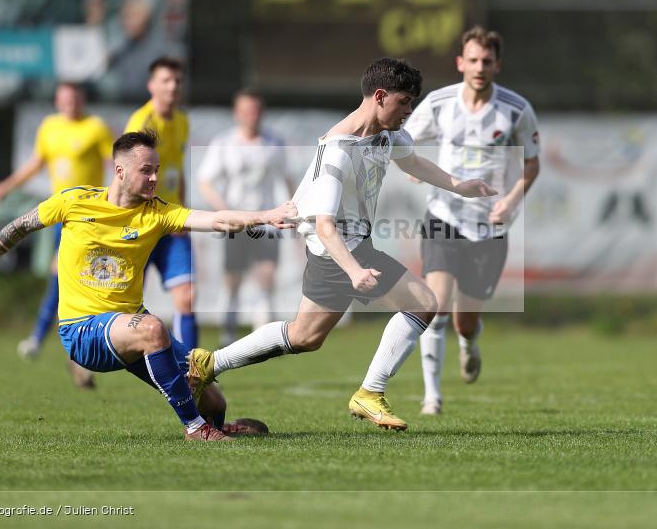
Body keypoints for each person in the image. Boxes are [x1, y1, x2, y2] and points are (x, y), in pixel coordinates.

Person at [184, 57, 497, 432]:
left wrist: (459, 186)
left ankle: (210, 362)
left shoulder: (388, 133)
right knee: (424, 302)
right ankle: (370, 392)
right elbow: (324, 225)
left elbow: (413, 163)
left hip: (348, 245)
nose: (409, 111)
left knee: (305, 336)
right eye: (403, 102)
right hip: (336, 250)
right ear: (379, 97)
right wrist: (354, 270)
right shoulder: (338, 149)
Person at [0, 130, 295, 441]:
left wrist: (265, 216)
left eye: (157, 169)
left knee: (212, 396)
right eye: (146, 170)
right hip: (82, 331)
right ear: (120, 171)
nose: (155, 177)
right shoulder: (74, 201)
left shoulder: (156, 213)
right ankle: (195, 429)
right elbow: (19, 226)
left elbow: (215, 219)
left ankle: (216, 425)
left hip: (127, 324)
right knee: (154, 329)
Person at [403, 26, 541, 416]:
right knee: (435, 305)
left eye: (487, 61)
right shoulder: (439, 103)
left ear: (497, 65)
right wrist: (414, 167)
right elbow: (403, 142)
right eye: (473, 60)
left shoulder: (516, 109)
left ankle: (468, 342)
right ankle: (432, 397)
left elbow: (532, 164)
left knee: (464, 321)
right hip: (443, 215)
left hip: (490, 227)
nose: (480, 67)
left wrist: (511, 201)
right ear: (460, 63)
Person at [0, 82, 113, 388]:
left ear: (82, 99)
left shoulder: (95, 127)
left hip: (91, 217)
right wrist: (8, 185)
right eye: (65, 98)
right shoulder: (49, 127)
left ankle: (63, 347)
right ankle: (58, 347)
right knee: (65, 279)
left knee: (77, 280)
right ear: (58, 101)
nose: (70, 103)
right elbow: (36, 164)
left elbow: (114, 164)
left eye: (75, 97)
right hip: (62, 217)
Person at [197, 88, 296, 346]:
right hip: (237, 223)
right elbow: (205, 181)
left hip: (268, 221)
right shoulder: (224, 143)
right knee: (233, 279)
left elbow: (288, 178)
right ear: (237, 113)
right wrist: (223, 210)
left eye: (256, 110)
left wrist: (294, 212)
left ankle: (262, 339)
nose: (253, 115)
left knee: (266, 275)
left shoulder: (274, 143)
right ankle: (228, 332)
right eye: (247, 111)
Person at [124, 57, 199, 352]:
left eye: (177, 80)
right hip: (142, 221)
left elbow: (177, 171)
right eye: (166, 80)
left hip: (171, 222)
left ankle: (192, 368)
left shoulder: (182, 121)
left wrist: (182, 212)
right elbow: (130, 177)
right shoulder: (141, 123)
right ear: (151, 85)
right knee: (128, 302)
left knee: (187, 297)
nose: (173, 86)